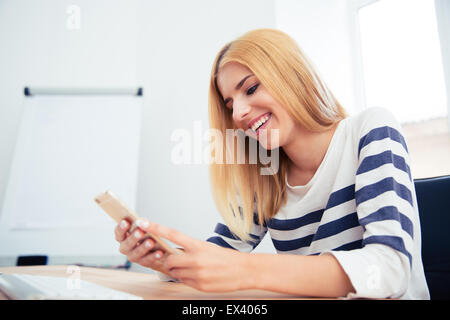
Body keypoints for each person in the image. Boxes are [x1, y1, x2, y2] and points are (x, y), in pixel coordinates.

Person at [114, 29, 430, 299]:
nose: (238, 113)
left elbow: (389, 269)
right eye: (230, 104)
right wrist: (163, 259)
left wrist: (246, 271)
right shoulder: (265, 173)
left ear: (292, 75)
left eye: (250, 89)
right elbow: (217, 259)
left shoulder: (369, 130)